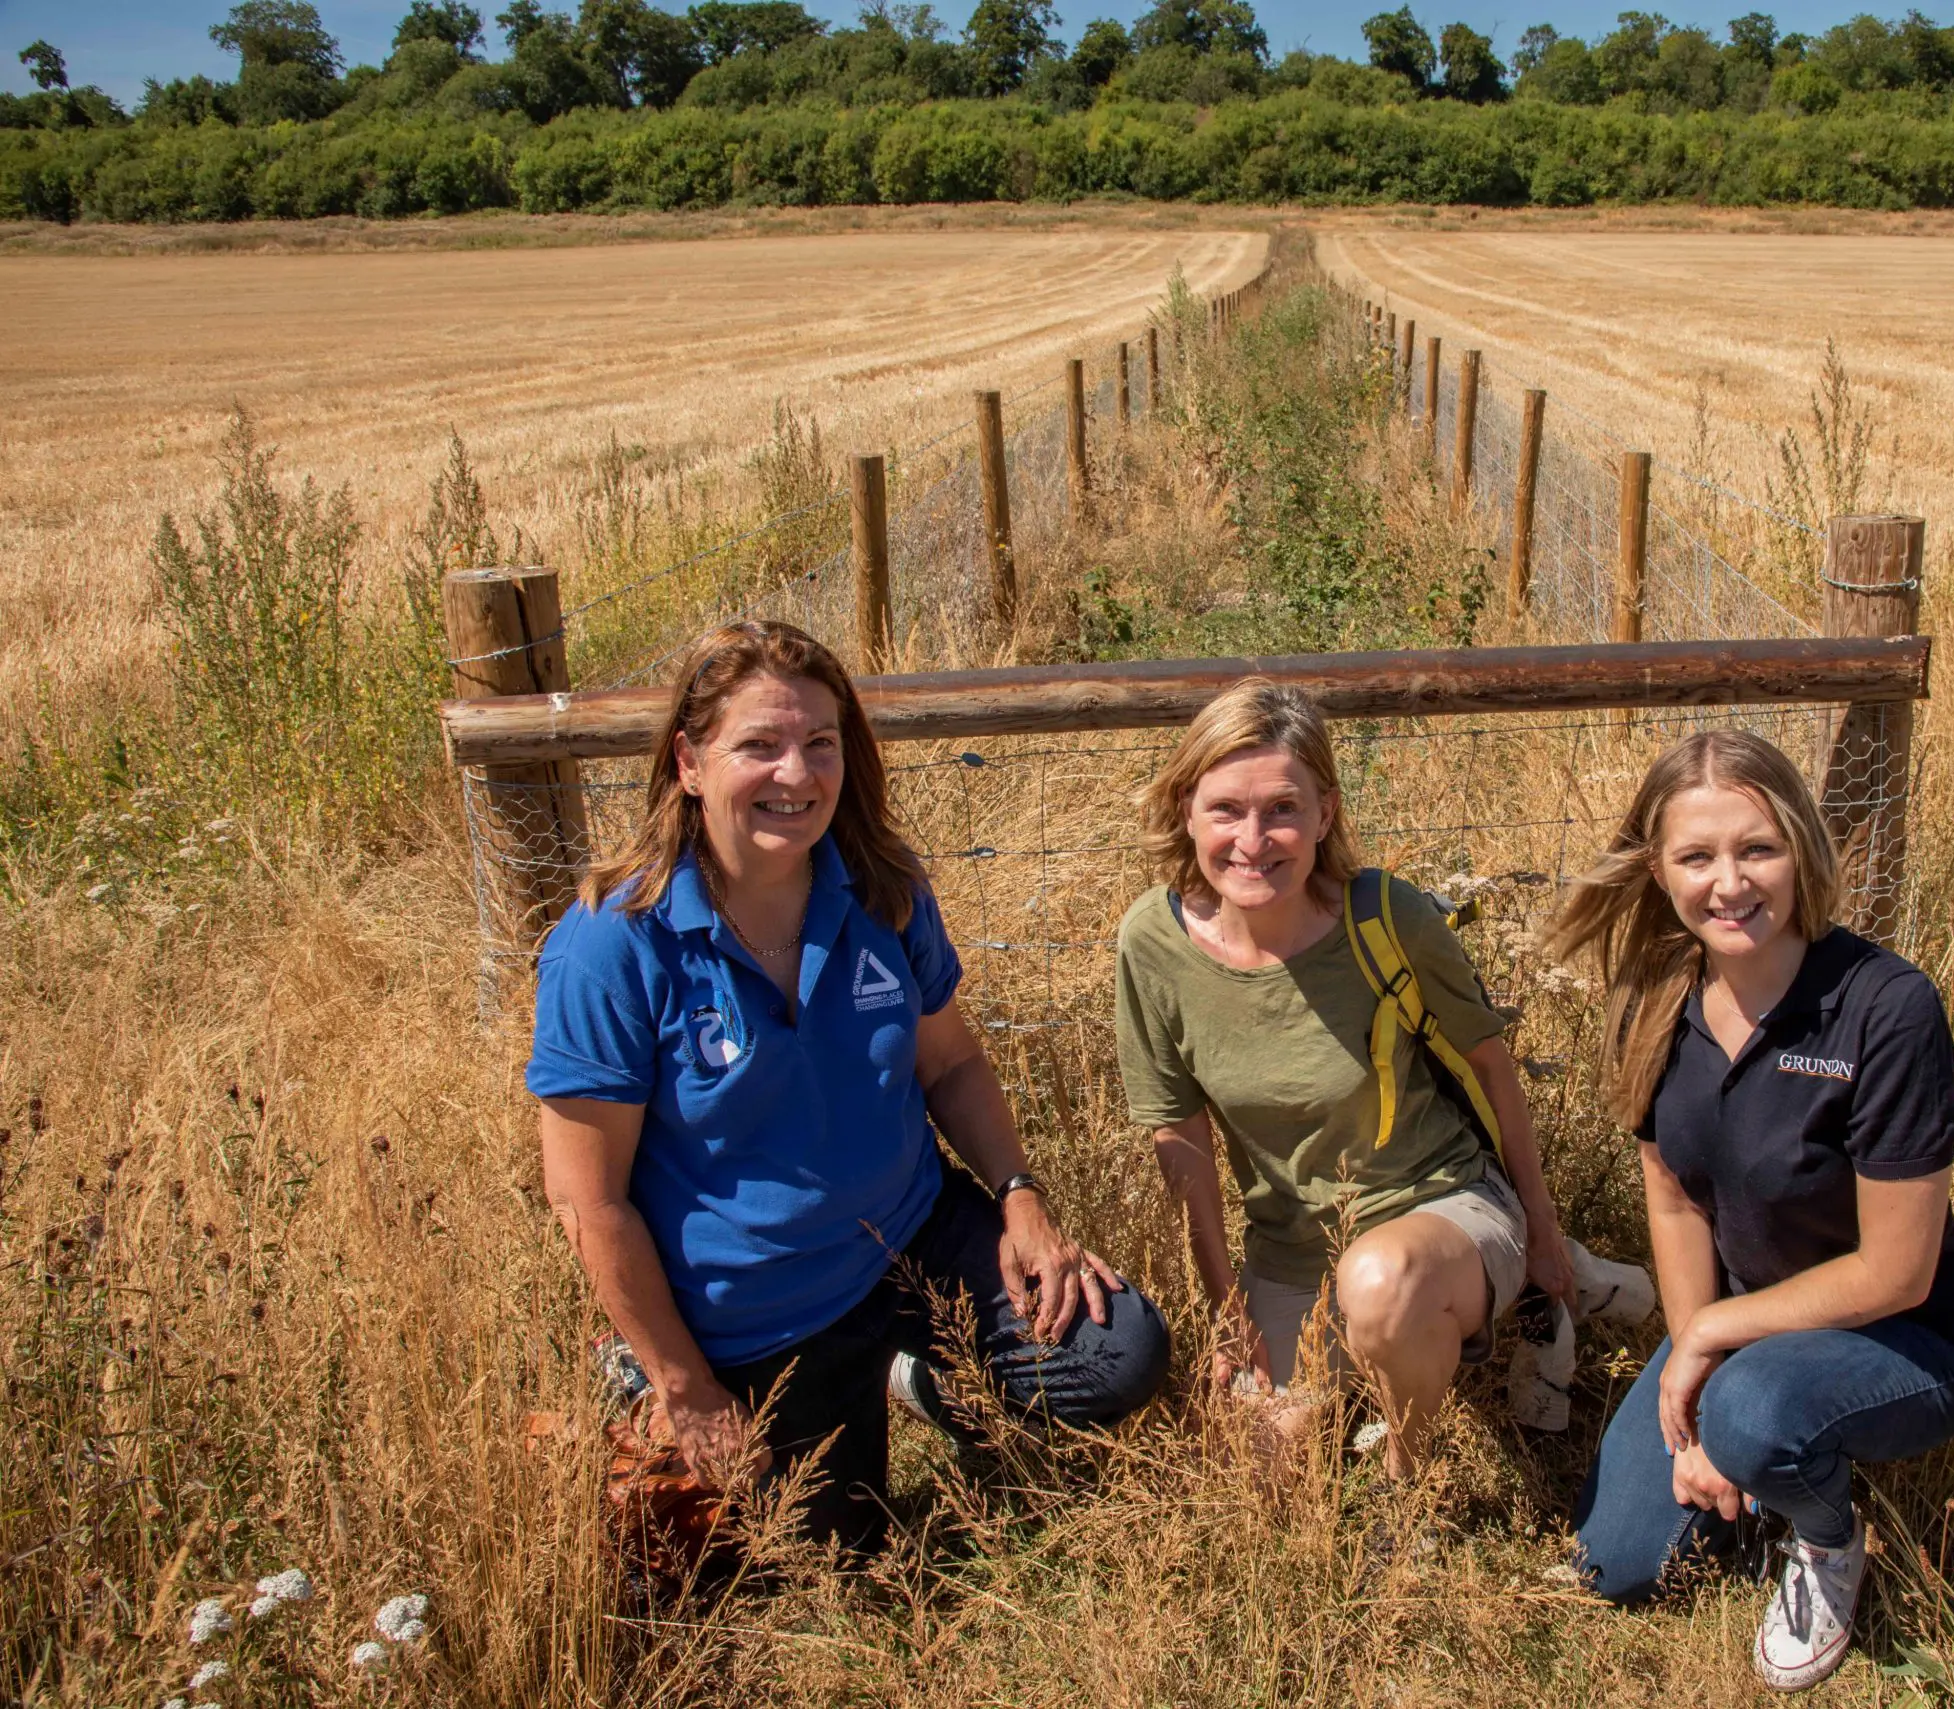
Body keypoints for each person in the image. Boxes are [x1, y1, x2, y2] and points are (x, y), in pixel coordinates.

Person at [529, 620, 1169, 1555]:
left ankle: (916, 1369)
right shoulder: (611, 945)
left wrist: (1020, 1197)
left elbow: (947, 1062)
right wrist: (688, 1387)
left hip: (911, 1234)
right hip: (757, 1309)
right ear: (689, 762)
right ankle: (641, 1373)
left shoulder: (882, 887)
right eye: (759, 744)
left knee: (1118, 1352)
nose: (797, 774)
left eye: (819, 743)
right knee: (829, 1555)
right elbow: (589, 1199)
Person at [1543, 729, 1954, 1692]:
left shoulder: (1886, 1007)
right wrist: (1693, 1358)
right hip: (1748, 1324)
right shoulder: (1654, 1002)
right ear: (1658, 871)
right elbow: (1672, 1199)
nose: (1730, 883)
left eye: (1758, 848)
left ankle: (1828, 1535)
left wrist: (1711, 1351)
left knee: (1751, 1412)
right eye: (1697, 856)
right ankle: (1761, 1456)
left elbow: (1897, 1271)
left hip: (1912, 1337)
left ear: (1801, 846)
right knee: (1615, 1565)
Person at [1113, 679, 1626, 1478]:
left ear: (1326, 813)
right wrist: (1225, 1310)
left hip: (1439, 1203)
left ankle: (1408, 1482)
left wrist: (1541, 1224)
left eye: (1282, 808)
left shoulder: (1384, 916)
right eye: (1225, 809)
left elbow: (1490, 1066)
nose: (1254, 840)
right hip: (1291, 1250)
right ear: (1186, 809)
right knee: (1260, 1469)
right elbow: (1178, 1132)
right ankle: (1462, 1319)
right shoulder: (1152, 943)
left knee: (1381, 1283)